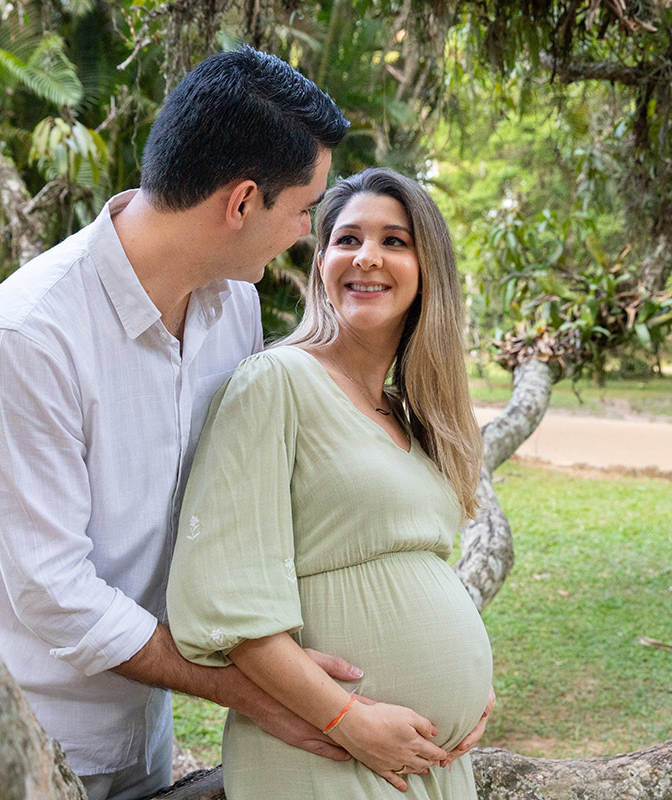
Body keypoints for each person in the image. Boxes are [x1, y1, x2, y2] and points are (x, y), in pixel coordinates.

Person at [0, 47, 354, 800]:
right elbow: (56, 592)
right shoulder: (28, 336)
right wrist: (257, 694)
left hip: (141, 728)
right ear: (242, 201)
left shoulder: (234, 306)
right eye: (304, 208)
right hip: (13, 730)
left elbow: (235, 503)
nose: (304, 233)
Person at [168, 168, 497, 798]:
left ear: (429, 268)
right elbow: (235, 610)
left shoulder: (413, 414)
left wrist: (471, 683)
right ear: (321, 264)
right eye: (347, 240)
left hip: (435, 762)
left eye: (394, 241)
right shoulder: (277, 382)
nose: (366, 257)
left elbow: (420, 572)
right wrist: (349, 720)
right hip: (330, 757)